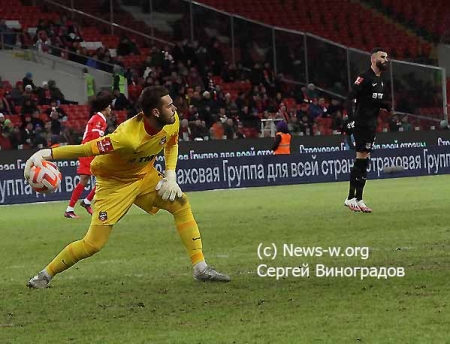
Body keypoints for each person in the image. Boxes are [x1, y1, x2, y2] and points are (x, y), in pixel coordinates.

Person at [24, 86, 230, 288]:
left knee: (181, 204)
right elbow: (87, 148)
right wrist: (47, 154)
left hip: (144, 175)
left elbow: (172, 143)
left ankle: (201, 269)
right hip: (113, 183)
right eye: (169, 106)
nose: (175, 109)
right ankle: (45, 275)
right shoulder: (126, 137)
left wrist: (170, 174)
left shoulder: (171, 121)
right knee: (93, 244)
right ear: (155, 112)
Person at [343, 47, 391, 213]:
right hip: (361, 123)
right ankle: (350, 198)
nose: (386, 60)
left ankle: (359, 198)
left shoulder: (381, 80)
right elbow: (350, 98)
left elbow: (373, 101)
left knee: (365, 160)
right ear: (373, 59)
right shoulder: (364, 77)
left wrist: (385, 105)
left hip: (371, 124)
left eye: (386, 57)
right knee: (361, 157)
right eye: (382, 57)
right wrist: (350, 120)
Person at [64, 93, 112, 218]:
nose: (111, 110)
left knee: (104, 177)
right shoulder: (98, 119)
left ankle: (85, 202)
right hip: (88, 152)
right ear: (105, 108)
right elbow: (96, 138)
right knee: (92, 179)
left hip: (91, 151)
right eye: (110, 107)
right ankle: (72, 208)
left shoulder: (100, 119)